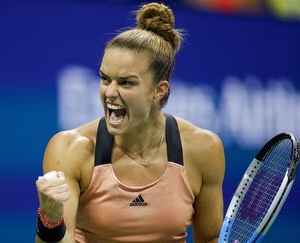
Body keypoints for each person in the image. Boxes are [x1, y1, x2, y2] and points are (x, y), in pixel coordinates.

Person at [35, 2, 225, 243]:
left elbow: (211, 237)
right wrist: (51, 220)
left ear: (159, 90)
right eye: (105, 79)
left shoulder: (203, 149)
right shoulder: (70, 149)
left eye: (126, 83)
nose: (110, 92)